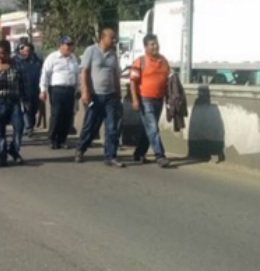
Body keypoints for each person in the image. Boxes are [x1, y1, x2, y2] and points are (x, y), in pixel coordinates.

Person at [76, 28, 124, 167]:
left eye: (115, 38)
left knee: (112, 127)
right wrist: (85, 92)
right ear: (103, 38)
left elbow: (116, 75)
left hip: (110, 97)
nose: (114, 40)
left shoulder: (113, 55)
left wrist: (118, 93)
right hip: (94, 96)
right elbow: (84, 72)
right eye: (112, 38)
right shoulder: (91, 51)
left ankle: (110, 156)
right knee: (90, 125)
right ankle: (80, 149)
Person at [130, 34, 175, 168]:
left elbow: (168, 81)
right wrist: (135, 100)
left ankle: (138, 153)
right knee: (153, 128)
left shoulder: (164, 61)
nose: (155, 46)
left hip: (159, 99)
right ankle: (160, 156)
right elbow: (133, 82)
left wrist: (169, 98)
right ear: (145, 47)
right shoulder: (140, 61)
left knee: (149, 128)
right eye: (152, 44)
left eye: (156, 43)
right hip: (145, 99)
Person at [0, 40, 27, 166]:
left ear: (8, 53)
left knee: (19, 127)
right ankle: (2, 156)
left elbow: (24, 82)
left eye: (1, 53)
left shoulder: (17, 64)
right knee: (0, 130)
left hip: (14, 101)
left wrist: (26, 100)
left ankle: (13, 149)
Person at [40, 36, 80, 150]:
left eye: (71, 44)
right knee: (56, 114)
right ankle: (52, 139)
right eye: (68, 45)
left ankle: (62, 140)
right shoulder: (52, 58)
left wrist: (79, 88)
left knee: (67, 116)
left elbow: (77, 74)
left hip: (70, 89)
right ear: (61, 45)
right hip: (57, 90)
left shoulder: (73, 58)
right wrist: (43, 90)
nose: (70, 47)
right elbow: (45, 74)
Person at [16, 42, 43, 137]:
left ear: (31, 51)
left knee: (33, 109)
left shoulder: (37, 62)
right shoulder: (17, 62)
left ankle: (30, 125)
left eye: (27, 51)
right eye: (23, 50)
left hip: (35, 90)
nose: (25, 52)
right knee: (25, 108)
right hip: (22, 90)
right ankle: (28, 127)